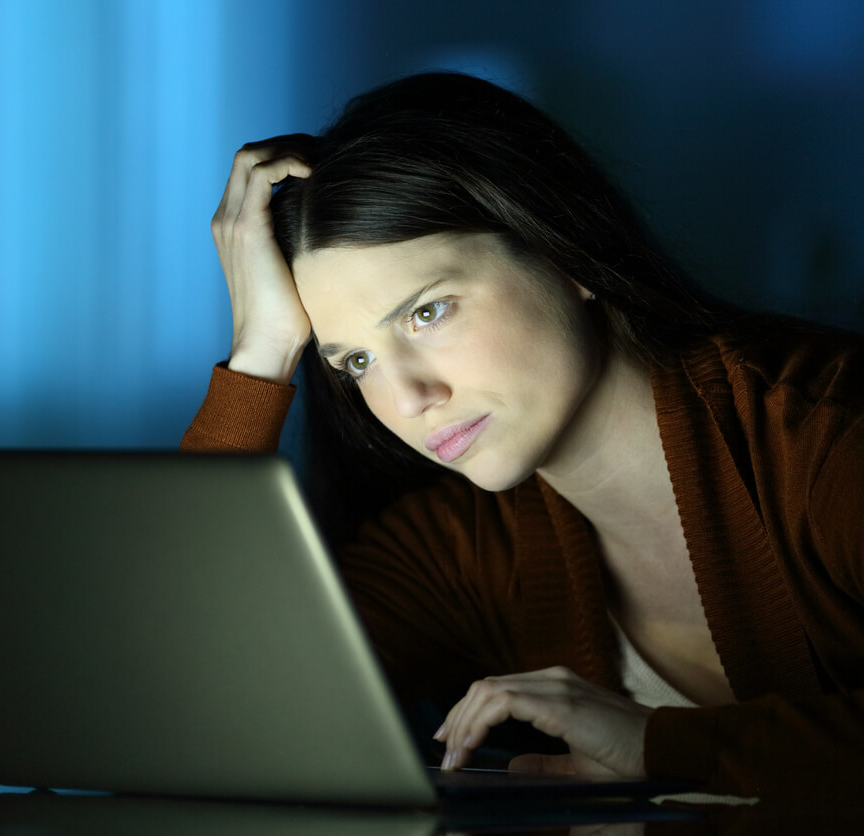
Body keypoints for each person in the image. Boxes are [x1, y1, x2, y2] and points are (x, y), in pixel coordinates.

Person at [181, 72, 864, 803]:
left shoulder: (826, 438)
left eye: (428, 313)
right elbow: (192, 706)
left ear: (563, 250)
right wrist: (259, 355)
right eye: (355, 361)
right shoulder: (466, 548)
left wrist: (662, 746)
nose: (409, 399)